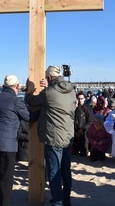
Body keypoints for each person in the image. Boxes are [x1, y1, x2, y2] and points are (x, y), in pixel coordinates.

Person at [25, 65, 76, 206]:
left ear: (48, 77)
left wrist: (28, 90)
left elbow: (31, 101)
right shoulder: (71, 90)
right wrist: (48, 87)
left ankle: (57, 202)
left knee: (54, 173)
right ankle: (66, 201)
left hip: (54, 138)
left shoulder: (48, 93)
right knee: (66, 172)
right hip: (67, 136)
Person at [0, 74, 29, 206]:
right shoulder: (16, 101)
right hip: (6, 145)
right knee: (5, 179)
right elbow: (29, 116)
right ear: (17, 86)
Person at [73, 91, 93, 156]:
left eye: (81, 98)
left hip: (84, 133)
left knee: (83, 153)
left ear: (84, 99)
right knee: (74, 152)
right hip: (74, 133)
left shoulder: (87, 108)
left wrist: (83, 128)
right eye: (78, 98)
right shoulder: (74, 108)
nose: (80, 100)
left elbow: (90, 121)